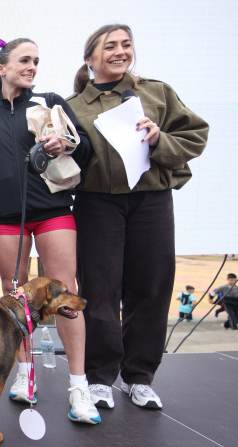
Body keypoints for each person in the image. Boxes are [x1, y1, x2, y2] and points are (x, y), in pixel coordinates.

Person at [67, 24, 209, 411]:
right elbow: (64, 163)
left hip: (152, 202)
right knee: (99, 290)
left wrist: (159, 138)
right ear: (90, 58)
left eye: (126, 45)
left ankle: (140, 377)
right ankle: (98, 377)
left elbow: (195, 136)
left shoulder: (157, 92)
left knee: (151, 288)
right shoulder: (72, 107)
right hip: (97, 205)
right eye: (109, 46)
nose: (120, 51)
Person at [0, 38, 100, 424]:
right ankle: (25, 375)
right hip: (5, 217)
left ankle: (79, 387)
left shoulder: (50, 101)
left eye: (36, 60)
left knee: (65, 293)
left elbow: (85, 152)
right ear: (1, 68)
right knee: (14, 294)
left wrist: (66, 144)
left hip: (52, 211)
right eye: (24, 60)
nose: (32, 66)